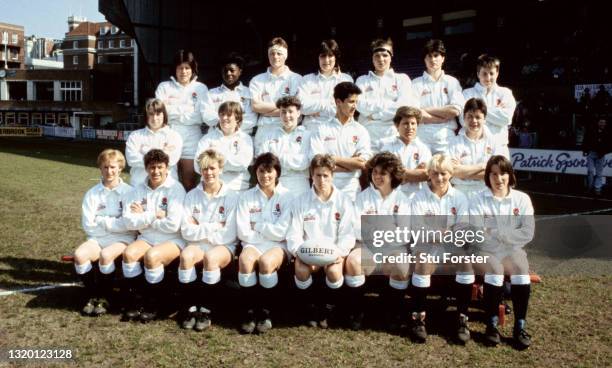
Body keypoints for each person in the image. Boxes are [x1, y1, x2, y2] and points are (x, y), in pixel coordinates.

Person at [469, 155, 535, 349]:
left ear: (510, 175)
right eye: (494, 174)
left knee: (521, 267)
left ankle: (519, 326)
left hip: (511, 249)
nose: (499, 179)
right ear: (488, 177)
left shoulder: (522, 199)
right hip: (484, 250)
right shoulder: (477, 199)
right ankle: (491, 325)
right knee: (494, 268)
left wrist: (500, 234)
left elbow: (527, 232)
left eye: (503, 173)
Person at [287, 154, 356, 328]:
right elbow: (294, 233)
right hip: (308, 253)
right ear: (311, 175)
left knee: (333, 272)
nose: (322, 180)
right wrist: (298, 252)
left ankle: (328, 307)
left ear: (332, 175)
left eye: (326, 175)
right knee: (301, 270)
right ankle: (309, 307)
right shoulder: (301, 201)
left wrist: (340, 253)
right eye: (318, 175)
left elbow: (347, 234)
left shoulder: (344, 201)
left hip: (332, 252)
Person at [344, 152, 411, 330]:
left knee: (402, 266)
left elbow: (404, 234)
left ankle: (391, 311)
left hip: (393, 249)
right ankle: (357, 311)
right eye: (375, 172)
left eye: (383, 173)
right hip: (367, 248)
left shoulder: (402, 200)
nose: (377, 176)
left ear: (393, 175)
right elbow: (356, 228)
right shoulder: (362, 198)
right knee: (353, 261)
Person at [409, 154, 472, 344]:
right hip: (425, 245)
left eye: (444, 173)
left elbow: (462, 227)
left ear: (451, 174)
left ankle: (462, 318)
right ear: (428, 174)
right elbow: (416, 228)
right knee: (422, 262)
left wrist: (445, 235)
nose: (440, 178)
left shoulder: (460, 197)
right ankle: (419, 318)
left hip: (451, 246)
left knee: (467, 263)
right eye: (435, 173)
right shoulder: (417, 197)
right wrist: (440, 233)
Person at [121, 149, 186, 323]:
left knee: (152, 256)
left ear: (167, 168)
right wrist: (153, 214)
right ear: (146, 168)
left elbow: (173, 225)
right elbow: (129, 222)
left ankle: (155, 303)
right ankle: (137, 301)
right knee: (129, 254)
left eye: (159, 167)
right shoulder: (138, 189)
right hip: (147, 237)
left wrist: (143, 216)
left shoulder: (175, 189)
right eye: (151, 167)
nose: (155, 171)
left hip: (172, 239)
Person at [179, 149, 239, 331]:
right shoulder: (191, 196)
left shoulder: (232, 196)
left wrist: (199, 226)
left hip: (223, 245)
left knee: (211, 258)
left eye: (212, 168)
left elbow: (229, 234)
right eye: (204, 169)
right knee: (186, 256)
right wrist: (213, 226)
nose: (208, 173)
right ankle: (190, 309)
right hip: (197, 244)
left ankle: (206, 310)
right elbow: (186, 232)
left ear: (220, 169)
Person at [236, 152, 293, 334]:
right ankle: (250, 311)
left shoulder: (287, 197)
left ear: (277, 173)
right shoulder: (246, 197)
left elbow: (283, 232)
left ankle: (266, 312)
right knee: (245, 261)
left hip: (279, 246)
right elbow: (243, 231)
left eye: (269, 171)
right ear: (255, 173)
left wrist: (258, 225)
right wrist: (268, 232)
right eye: (261, 171)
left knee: (267, 262)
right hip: (253, 243)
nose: (265, 176)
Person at [74, 149, 135, 316]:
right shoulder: (92, 193)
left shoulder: (130, 192)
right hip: (98, 238)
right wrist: (114, 223)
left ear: (120, 168)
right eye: (105, 167)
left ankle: (106, 297)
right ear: (100, 168)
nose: (110, 171)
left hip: (123, 238)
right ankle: (94, 294)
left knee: (106, 255)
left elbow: (129, 225)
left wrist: (103, 221)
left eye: (113, 167)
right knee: (79, 255)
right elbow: (88, 225)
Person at [310, 82, 372, 201]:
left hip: (351, 189)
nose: (355, 106)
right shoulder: (321, 128)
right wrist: (350, 164)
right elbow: (316, 162)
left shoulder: (361, 130)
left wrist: (333, 159)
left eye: (356, 102)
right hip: (325, 185)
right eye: (351, 102)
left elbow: (362, 164)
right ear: (338, 102)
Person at [155, 50, 208, 190]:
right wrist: (186, 111)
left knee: (189, 182)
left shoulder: (201, 88)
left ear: (193, 69)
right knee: (167, 180)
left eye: (187, 68)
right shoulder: (164, 87)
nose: (183, 71)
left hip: (192, 136)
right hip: (169, 134)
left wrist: (174, 110)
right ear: (175, 69)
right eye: (180, 68)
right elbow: (161, 114)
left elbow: (200, 116)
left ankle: (186, 210)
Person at [355, 38, 420, 151]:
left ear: (391, 56)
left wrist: (374, 116)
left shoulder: (402, 79)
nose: (381, 59)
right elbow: (360, 104)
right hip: (368, 136)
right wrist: (390, 104)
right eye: (377, 56)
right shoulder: (362, 80)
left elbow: (403, 107)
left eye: (385, 55)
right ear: (372, 58)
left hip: (393, 135)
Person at [412, 39, 464, 154]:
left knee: (446, 171)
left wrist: (425, 110)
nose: (432, 59)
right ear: (424, 59)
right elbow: (414, 113)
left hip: (446, 138)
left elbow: (455, 110)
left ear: (443, 58)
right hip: (422, 137)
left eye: (436, 55)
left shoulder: (452, 82)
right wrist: (439, 118)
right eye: (429, 56)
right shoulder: (415, 83)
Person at [249, 37, 303, 146]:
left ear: (285, 55)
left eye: (279, 53)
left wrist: (265, 111)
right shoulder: (257, 80)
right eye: (272, 53)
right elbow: (255, 106)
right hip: (264, 131)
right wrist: (284, 109)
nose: (275, 57)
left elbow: (297, 108)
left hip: (289, 130)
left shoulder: (297, 79)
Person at [447, 98, 505, 198]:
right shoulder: (454, 142)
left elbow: (497, 172)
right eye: (470, 117)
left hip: (486, 191)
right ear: (464, 118)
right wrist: (483, 166)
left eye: (478, 117)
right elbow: (451, 171)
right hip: (460, 193)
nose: (474, 121)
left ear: (485, 119)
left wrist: (462, 172)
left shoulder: (494, 142)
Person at [463, 55, 516, 159]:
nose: (488, 77)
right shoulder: (467, 94)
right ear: (478, 74)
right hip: (474, 147)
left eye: (491, 73)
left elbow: (506, 119)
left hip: (500, 147)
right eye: (484, 73)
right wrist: (496, 113)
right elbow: (463, 120)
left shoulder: (506, 93)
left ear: (497, 73)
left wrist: (478, 112)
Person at [194, 101, 254, 192]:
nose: (224, 118)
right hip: (211, 188)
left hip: (236, 188)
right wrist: (229, 161)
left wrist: (212, 161)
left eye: (229, 115)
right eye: (222, 115)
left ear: (237, 118)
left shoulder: (245, 139)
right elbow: (197, 165)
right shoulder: (207, 138)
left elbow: (242, 164)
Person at [256, 96, 311, 195]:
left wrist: (276, 158)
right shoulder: (269, 135)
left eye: (290, 111)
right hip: (275, 183)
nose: (287, 115)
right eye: (283, 112)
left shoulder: (307, 135)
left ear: (298, 113)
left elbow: (304, 162)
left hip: (299, 183)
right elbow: (262, 161)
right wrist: (292, 160)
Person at [297, 39, 353, 133]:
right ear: (318, 58)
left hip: (338, 130)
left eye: (330, 55)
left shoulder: (346, 80)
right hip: (311, 130)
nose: (326, 60)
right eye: (323, 56)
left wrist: (315, 109)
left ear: (336, 57)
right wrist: (329, 103)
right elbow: (301, 107)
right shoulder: (306, 80)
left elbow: (347, 108)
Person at [125, 99, 182, 186]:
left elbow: (172, 160)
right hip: (139, 185)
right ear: (146, 116)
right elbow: (131, 159)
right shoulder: (135, 136)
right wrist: (162, 153)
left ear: (164, 115)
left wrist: (145, 156)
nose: (155, 118)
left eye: (158, 114)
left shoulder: (174, 136)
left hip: (168, 186)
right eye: (151, 114)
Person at [381, 106, 432, 198]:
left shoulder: (423, 148)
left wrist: (398, 174)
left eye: (413, 123)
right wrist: (415, 172)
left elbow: (425, 175)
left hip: (416, 196)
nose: (410, 127)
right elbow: (385, 174)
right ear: (397, 125)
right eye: (405, 123)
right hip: (392, 195)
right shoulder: (387, 147)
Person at [201, 53, 257, 135]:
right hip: (217, 137)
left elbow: (252, 118)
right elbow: (207, 116)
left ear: (240, 71)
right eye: (225, 70)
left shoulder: (249, 93)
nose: (228, 73)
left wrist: (229, 126)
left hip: (242, 137)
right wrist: (225, 125)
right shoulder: (211, 94)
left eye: (232, 70)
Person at [582, 117, 611, 196]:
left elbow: (609, 145)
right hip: (591, 153)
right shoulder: (592, 131)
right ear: (598, 123)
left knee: (599, 173)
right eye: (600, 122)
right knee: (590, 171)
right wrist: (584, 150)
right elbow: (586, 140)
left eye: (603, 122)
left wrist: (603, 152)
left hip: (600, 155)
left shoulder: (608, 133)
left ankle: (597, 189)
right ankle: (589, 187)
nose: (602, 124)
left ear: (605, 124)